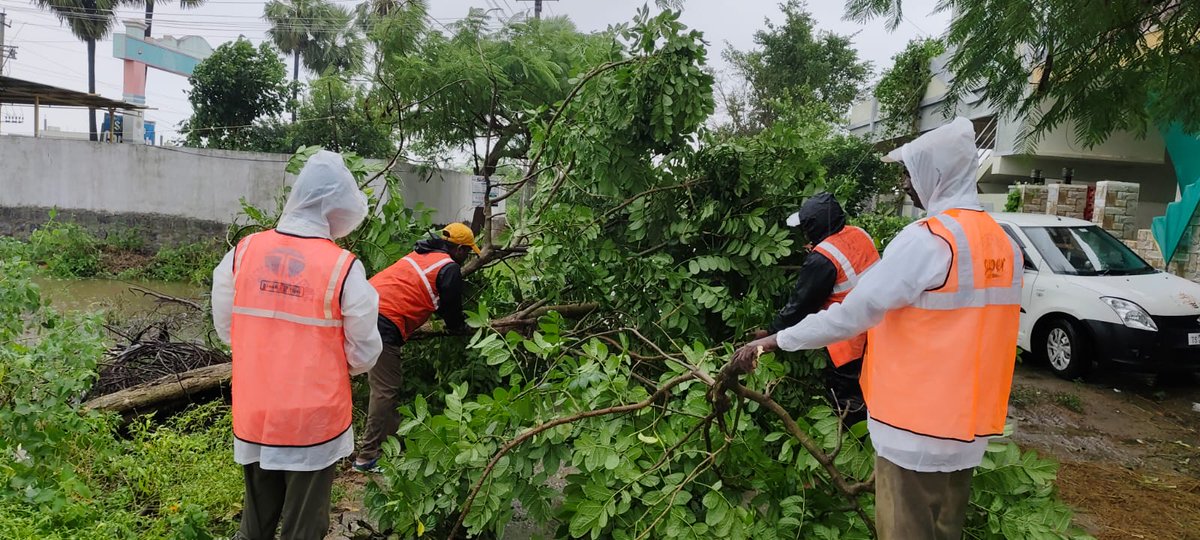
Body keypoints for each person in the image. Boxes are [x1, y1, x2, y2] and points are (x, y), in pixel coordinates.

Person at [732, 117, 1022, 540]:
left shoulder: (929, 240)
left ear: (935, 174)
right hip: (965, 431)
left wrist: (774, 340)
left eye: (910, 173)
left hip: (913, 431)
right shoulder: (1002, 242)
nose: (906, 184)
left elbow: (852, 313)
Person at [211, 150, 383, 540]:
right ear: (338, 205)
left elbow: (228, 327)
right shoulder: (342, 267)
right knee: (304, 527)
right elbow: (365, 352)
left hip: (256, 411)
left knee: (255, 521)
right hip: (313, 423)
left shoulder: (243, 253)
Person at [352, 223, 479, 472]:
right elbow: (451, 309)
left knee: (387, 387)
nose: (467, 258)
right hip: (383, 321)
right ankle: (366, 457)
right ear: (460, 250)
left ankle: (391, 447)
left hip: (363, 310)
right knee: (385, 390)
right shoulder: (448, 267)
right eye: (468, 252)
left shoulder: (421, 254)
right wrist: (458, 328)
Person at [753, 192, 879, 426]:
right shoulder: (859, 234)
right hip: (879, 328)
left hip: (848, 340)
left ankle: (852, 448)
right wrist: (821, 252)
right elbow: (847, 263)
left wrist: (770, 335)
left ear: (815, 226)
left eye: (806, 227)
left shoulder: (823, 259)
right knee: (873, 392)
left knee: (847, 403)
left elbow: (800, 306)